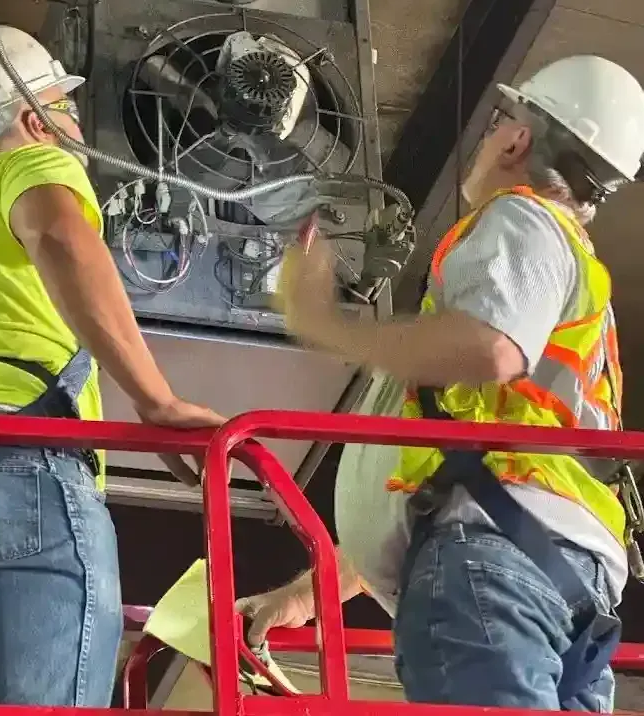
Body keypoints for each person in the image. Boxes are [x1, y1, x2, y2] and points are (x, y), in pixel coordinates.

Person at [238, 55, 644, 712]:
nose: (488, 139)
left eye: (496, 125)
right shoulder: (573, 287)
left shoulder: (523, 218)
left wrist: (321, 323)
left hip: (496, 568)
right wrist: (309, 594)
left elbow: (489, 347)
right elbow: (462, 473)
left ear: (516, 139)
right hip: (558, 582)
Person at [0, 25, 224, 707]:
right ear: (33, 119)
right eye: (64, 110)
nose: (73, 126)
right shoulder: (27, 166)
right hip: (19, 472)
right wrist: (155, 401)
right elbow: (58, 233)